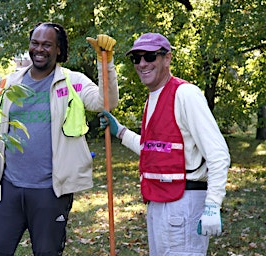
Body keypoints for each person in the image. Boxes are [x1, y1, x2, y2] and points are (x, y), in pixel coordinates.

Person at [0, 22, 119, 255]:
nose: (39, 49)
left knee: (47, 253)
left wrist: (106, 64)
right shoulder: (11, 82)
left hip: (50, 190)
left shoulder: (73, 81)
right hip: (8, 186)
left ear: (58, 49)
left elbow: (105, 102)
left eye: (47, 45)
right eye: (35, 43)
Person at [99, 32, 230, 255]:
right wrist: (120, 132)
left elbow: (219, 155)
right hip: (158, 202)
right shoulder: (152, 97)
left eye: (150, 56)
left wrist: (212, 205)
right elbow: (155, 151)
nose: (142, 64)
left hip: (183, 202)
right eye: (136, 58)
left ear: (167, 58)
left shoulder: (186, 94)